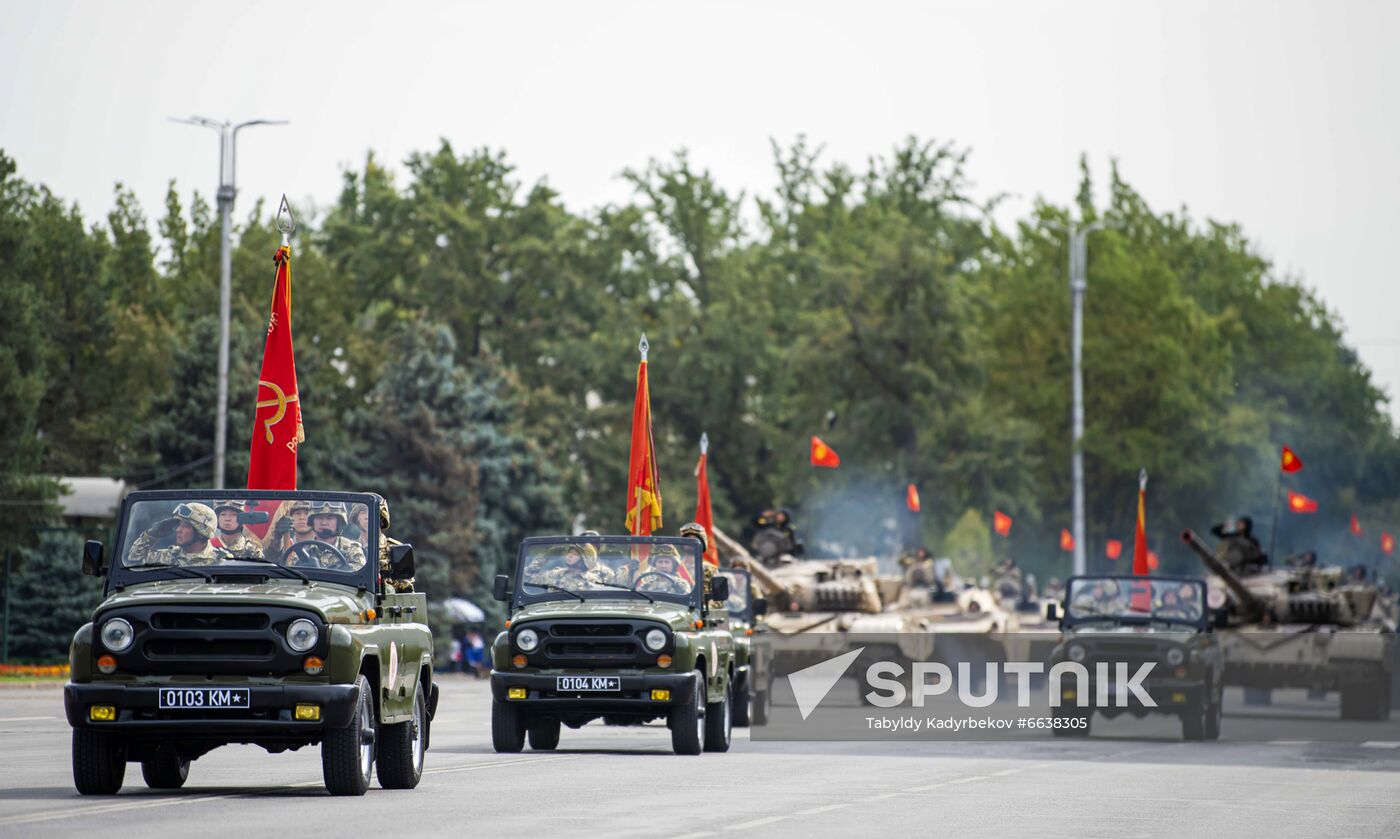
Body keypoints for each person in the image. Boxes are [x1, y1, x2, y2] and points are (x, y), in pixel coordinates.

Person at [127, 502, 229, 566]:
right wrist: (152, 535)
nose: (178, 530)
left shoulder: (221, 559)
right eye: (179, 525)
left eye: (185, 526)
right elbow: (133, 560)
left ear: (201, 533)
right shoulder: (168, 556)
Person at [287, 501, 367, 570]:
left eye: (329, 518)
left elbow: (357, 575)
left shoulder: (352, 549)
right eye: (319, 518)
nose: (324, 523)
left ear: (338, 522)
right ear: (312, 522)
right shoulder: (302, 550)